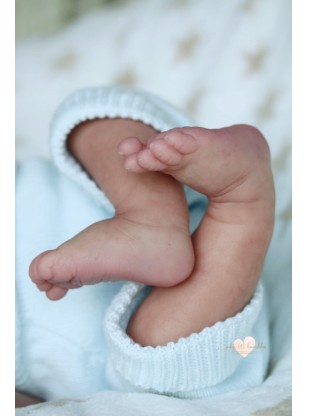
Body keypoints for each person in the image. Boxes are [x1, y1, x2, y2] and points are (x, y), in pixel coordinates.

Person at [16, 86, 274, 403]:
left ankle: (150, 217)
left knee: (91, 120)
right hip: (155, 336)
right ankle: (242, 203)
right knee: (161, 350)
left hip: (121, 185)